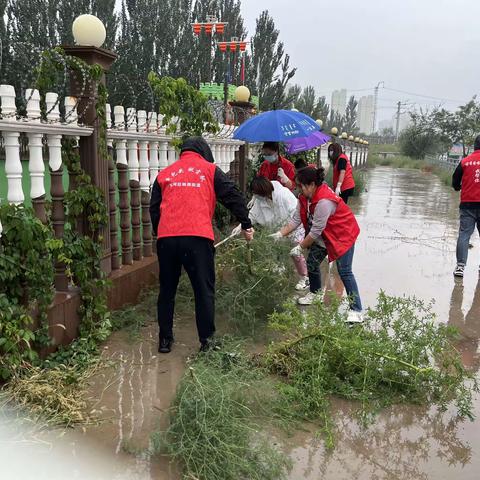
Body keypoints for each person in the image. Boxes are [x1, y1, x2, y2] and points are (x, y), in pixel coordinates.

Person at [149, 137, 254, 353]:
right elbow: (233, 196)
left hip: (167, 239)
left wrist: (161, 234)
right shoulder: (209, 170)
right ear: (204, 153)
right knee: (203, 291)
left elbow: (154, 208)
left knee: (167, 291)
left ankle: (165, 341)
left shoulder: (165, 174)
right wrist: (246, 223)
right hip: (198, 238)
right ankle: (207, 342)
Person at [272, 166, 363, 322]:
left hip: (343, 235)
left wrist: (300, 247)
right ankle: (315, 294)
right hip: (324, 236)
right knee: (312, 263)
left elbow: (314, 232)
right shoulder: (304, 198)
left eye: (301, 186)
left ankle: (357, 310)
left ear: (312, 184)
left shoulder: (324, 201)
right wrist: (280, 233)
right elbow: (295, 220)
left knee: (345, 271)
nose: (298, 189)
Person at [248, 176, 309, 290]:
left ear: (263, 191)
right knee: (277, 250)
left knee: (296, 253)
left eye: (256, 194)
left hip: (294, 228)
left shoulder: (283, 195)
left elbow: (296, 215)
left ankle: (304, 278)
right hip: (278, 229)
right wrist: (244, 224)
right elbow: (253, 214)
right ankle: (281, 269)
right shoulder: (262, 199)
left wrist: (285, 231)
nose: (256, 197)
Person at [452, 135, 480, 278]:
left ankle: (460, 267)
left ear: (474, 146)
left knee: (464, 235)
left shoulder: (465, 162)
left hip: (467, 205)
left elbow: (455, 181)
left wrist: (458, 187)